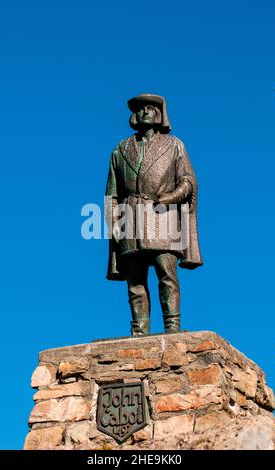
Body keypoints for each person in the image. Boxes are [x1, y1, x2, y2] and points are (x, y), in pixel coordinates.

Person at [105, 94, 202, 336]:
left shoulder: (174, 145)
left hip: (163, 216)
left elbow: (188, 182)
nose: (146, 112)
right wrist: (113, 224)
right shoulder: (120, 149)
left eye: (151, 108)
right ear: (134, 116)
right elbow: (111, 194)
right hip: (131, 217)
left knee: (166, 274)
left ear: (159, 114)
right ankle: (139, 330)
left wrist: (170, 197)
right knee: (135, 281)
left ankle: (172, 327)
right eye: (141, 109)